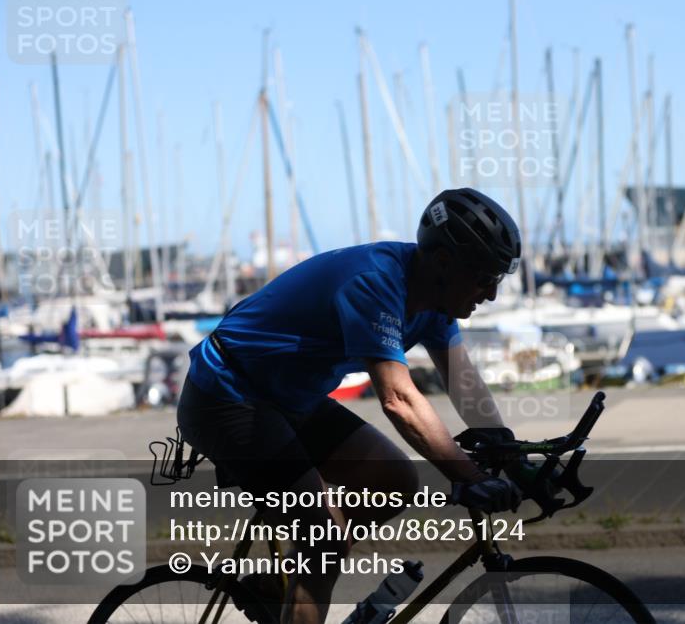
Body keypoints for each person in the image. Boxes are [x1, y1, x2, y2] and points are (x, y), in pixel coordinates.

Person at [177, 187, 524, 624]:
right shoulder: (375, 282)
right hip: (226, 397)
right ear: (442, 262)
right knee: (324, 538)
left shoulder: (436, 302)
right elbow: (398, 398)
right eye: (484, 278)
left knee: (396, 482)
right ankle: (306, 573)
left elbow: (464, 382)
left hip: (287, 398)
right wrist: (468, 475)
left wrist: (514, 457)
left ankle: (281, 584)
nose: (491, 294)